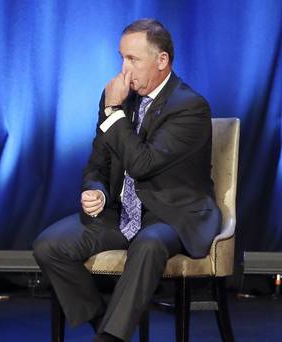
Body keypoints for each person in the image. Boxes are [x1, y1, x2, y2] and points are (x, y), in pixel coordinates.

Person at [33, 19, 221, 342]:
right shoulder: (119, 101)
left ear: (161, 61)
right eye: (121, 58)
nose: (124, 69)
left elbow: (142, 163)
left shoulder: (190, 107)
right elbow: (98, 162)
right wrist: (96, 191)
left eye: (133, 59)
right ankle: (102, 324)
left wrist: (115, 111)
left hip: (173, 213)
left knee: (148, 244)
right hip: (124, 214)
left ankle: (110, 338)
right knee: (48, 246)